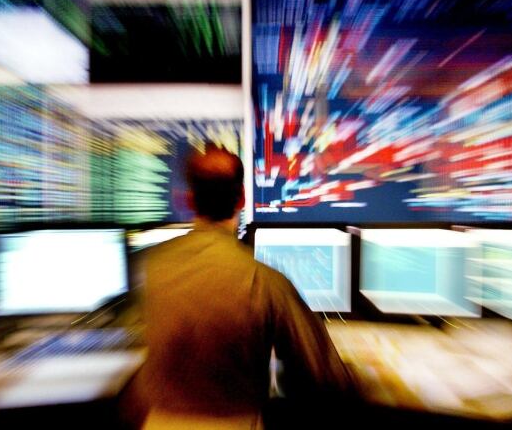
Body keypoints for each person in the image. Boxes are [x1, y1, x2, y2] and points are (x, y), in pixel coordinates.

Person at [133, 144, 356, 429]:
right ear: (242, 199)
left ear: (189, 200)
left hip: (158, 422)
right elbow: (323, 374)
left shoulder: (152, 267)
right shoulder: (263, 279)